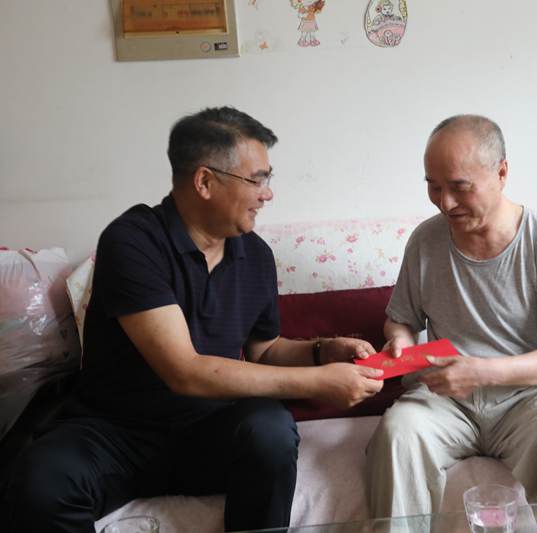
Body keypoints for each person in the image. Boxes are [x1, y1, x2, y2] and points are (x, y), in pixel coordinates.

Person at [0, 107, 384, 533]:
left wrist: (323, 351)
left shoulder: (255, 255)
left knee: (270, 429)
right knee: (41, 483)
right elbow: (183, 371)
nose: (268, 194)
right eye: (257, 179)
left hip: (208, 431)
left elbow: (266, 350)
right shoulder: (132, 241)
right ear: (204, 181)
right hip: (116, 433)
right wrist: (318, 382)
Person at [365, 114, 537, 518]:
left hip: (533, 396)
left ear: (501, 173)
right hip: (447, 399)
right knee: (397, 434)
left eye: (460, 187)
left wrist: (482, 372)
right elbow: (401, 319)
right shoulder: (426, 240)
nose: (445, 203)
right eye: (433, 187)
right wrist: (400, 341)